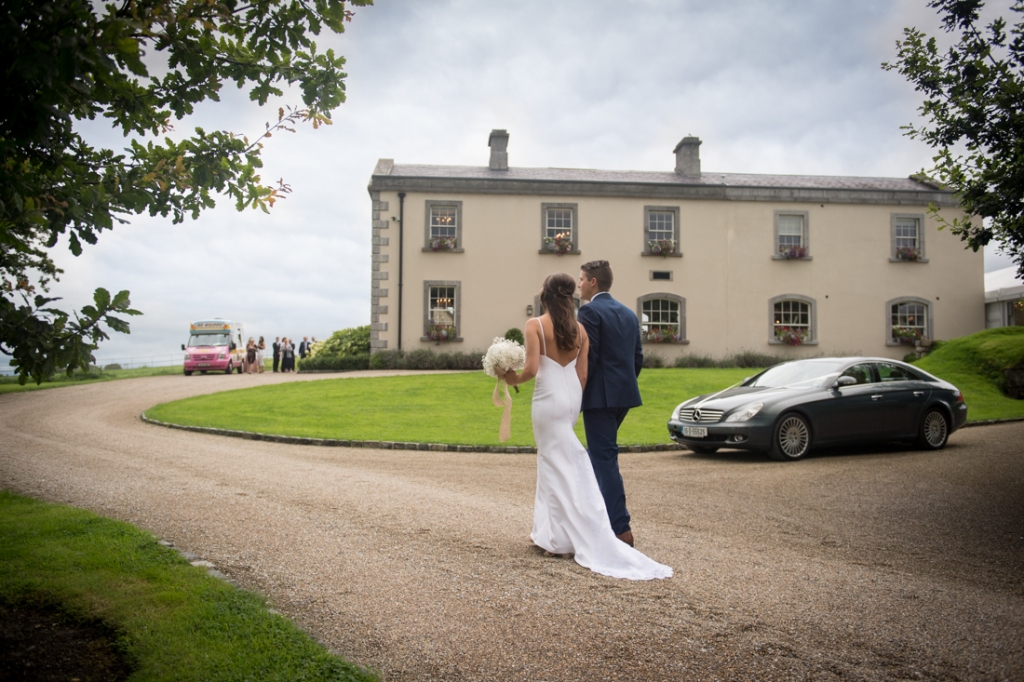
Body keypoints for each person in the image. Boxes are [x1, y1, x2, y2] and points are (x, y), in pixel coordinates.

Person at [504, 273, 671, 581]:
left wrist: (507, 377)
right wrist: (572, 402)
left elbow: (529, 369)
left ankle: (563, 539)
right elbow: (582, 376)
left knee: (553, 464)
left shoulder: (535, 325)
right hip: (570, 399)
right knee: (556, 462)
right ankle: (548, 533)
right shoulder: (580, 330)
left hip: (548, 399)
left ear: (547, 296)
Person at [577, 260, 643, 547]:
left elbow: (588, 356)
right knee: (599, 457)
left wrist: (577, 390)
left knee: (604, 460)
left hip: (599, 398)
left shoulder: (589, 310)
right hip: (623, 397)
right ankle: (597, 518)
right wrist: (622, 386)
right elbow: (637, 358)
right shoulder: (628, 313)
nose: (578, 284)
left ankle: (621, 529)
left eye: (581, 279)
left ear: (593, 282)